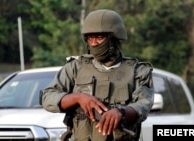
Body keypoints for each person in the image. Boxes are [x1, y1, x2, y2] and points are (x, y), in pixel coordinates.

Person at [41, 9, 154, 141]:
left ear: (114, 39)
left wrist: (121, 112)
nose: (94, 43)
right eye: (90, 38)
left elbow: (143, 104)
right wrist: (78, 98)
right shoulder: (75, 68)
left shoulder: (138, 71)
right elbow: (48, 97)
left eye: (100, 38)